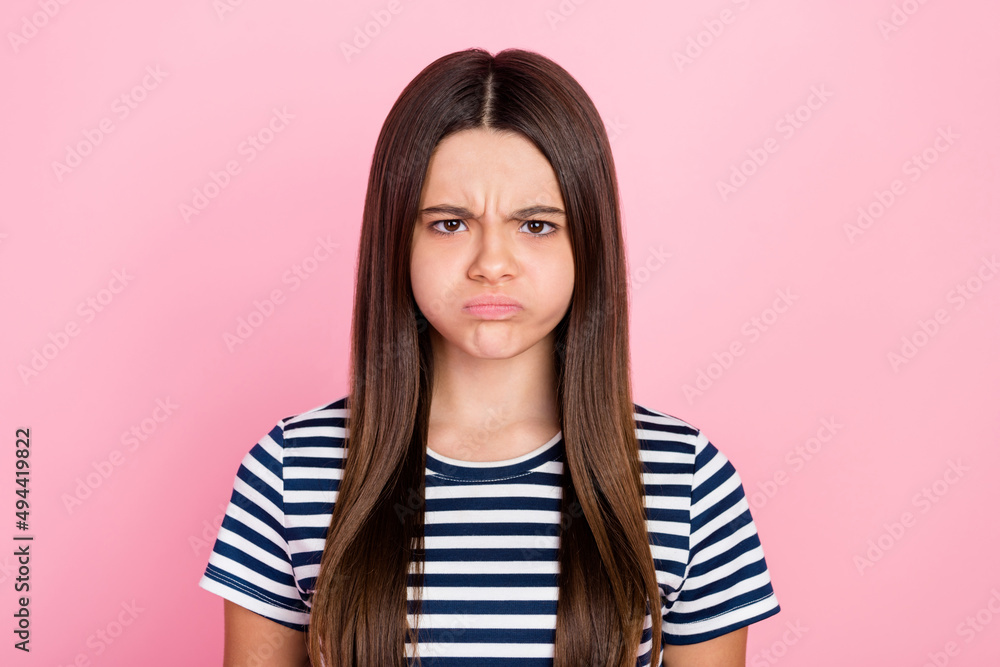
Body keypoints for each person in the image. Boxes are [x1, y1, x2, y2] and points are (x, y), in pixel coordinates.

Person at [197, 47, 780, 667]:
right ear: (398, 239)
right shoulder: (290, 471)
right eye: (451, 223)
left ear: (588, 242)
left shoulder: (687, 482)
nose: (491, 263)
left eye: (536, 225)